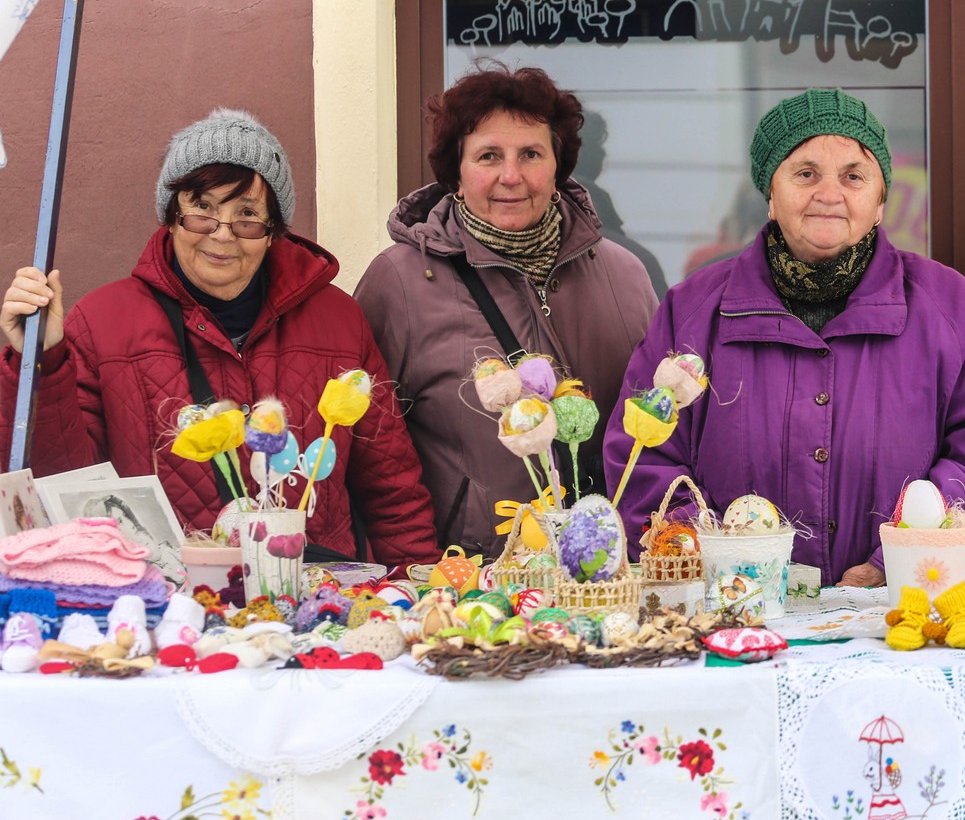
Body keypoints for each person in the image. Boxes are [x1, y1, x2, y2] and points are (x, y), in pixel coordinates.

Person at [603, 88, 965, 586]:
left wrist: (896, 564)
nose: (829, 194)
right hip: (734, 613)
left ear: (879, 201)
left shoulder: (957, 313)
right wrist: (725, 568)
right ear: (771, 195)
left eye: (854, 176)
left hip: (897, 620)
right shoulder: (691, 314)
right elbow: (643, 457)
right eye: (805, 173)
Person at [0, 109, 437, 569]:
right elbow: (63, 485)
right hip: (167, 605)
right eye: (202, 209)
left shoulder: (339, 320)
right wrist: (40, 358)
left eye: (247, 215)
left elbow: (392, 487)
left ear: (273, 233)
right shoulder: (102, 322)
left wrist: (417, 592)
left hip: (318, 598)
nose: (222, 235)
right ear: (170, 216)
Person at [355, 65, 657, 554]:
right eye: (488, 156)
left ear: (558, 166)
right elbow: (369, 451)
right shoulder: (401, 282)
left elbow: (658, 433)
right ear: (457, 170)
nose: (510, 176)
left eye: (531, 154)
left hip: (607, 574)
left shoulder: (624, 274)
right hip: (471, 580)